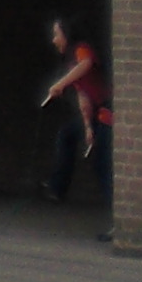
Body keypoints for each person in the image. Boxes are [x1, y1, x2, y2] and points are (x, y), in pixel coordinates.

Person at [40, 17, 114, 202]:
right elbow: (83, 97)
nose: (54, 40)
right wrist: (88, 126)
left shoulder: (81, 49)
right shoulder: (71, 61)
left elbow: (86, 64)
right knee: (67, 134)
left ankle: (118, 211)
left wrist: (61, 84)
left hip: (109, 109)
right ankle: (58, 187)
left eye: (57, 34)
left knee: (102, 162)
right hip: (96, 112)